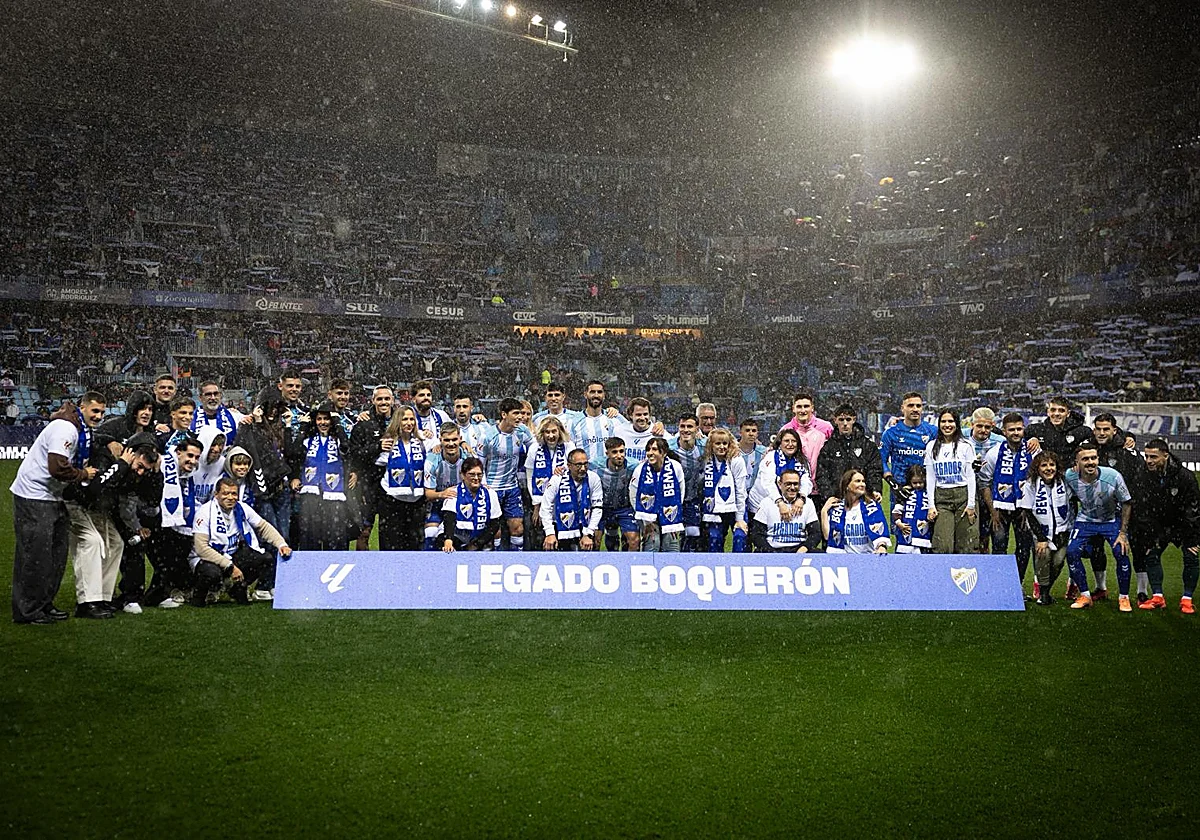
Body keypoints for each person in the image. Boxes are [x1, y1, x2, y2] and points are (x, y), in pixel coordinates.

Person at [10, 395, 104, 624]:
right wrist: (83, 475)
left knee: (55, 555)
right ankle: (27, 611)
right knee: (35, 555)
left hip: (52, 496)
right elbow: (57, 467)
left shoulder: (79, 428)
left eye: (102, 412)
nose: (98, 416)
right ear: (82, 407)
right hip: (34, 496)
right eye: (94, 410)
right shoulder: (65, 428)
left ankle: (44, 603)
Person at [64, 439, 160, 618]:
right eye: (139, 465)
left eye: (145, 470)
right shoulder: (107, 458)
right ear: (132, 455)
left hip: (98, 509)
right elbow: (95, 488)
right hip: (76, 503)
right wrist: (121, 464)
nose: (140, 472)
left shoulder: (135, 473)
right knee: (92, 543)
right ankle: (86, 603)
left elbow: (152, 499)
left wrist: (156, 473)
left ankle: (103, 598)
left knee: (116, 543)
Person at [191, 477, 291, 606]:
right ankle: (201, 594)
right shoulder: (204, 512)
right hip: (207, 559)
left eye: (234, 493)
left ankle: (237, 588)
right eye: (226, 493)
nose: (230, 497)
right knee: (211, 573)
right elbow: (201, 549)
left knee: (265, 559)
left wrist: (281, 544)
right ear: (216, 495)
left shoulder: (241, 508)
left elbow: (263, 527)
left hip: (232, 554)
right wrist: (230, 566)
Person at [234, 386, 294, 599]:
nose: (274, 411)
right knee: (271, 536)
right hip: (263, 490)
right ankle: (264, 585)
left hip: (282, 489)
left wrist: (287, 427)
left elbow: (291, 453)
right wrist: (258, 423)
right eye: (271, 406)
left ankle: (276, 582)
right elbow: (251, 450)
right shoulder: (250, 426)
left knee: (283, 537)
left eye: (278, 406)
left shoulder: (282, 426)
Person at [1063, 443, 1133, 611]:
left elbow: (1127, 503)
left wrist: (1123, 533)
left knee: (1120, 551)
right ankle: (1085, 595)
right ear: (1076, 462)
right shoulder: (1070, 476)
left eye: (1093, 458)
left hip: (1110, 520)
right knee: (1071, 551)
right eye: (1085, 459)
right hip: (1085, 520)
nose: (1090, 462)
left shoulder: (1113, 476)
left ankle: (1124, 597)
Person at [1135, 439, 1200, 613]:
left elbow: (1193, 508)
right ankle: (1157, 597)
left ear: (1166, 455)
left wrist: (1192, 538)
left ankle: (1187, 599)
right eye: (1147, 456)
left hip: (1182, 524)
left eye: (1153, 457)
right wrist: (1150, 534)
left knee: (1191, 557)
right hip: (1159, 524)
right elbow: (1143, 506)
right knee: (1151, 554)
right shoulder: (1143, 474)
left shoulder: (1185, 476)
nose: (1149, 460)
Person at [1091, 413, 1147, 600]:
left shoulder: (1126, 450)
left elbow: (1139, 478)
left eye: (1106, 429)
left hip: (1127, 509)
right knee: (1097, 549)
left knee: (1134, 548)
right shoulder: (1091, 448)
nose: (1101, 432)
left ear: (1115, 430)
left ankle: (1141, 592)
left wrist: (1132, 504)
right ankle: (1101, 588)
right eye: (1098, 429)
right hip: (1099, 511)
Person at [145, 437, 204, 610]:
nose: (193, 461)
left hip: (173, 522)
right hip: (153, 520)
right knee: (163, 560)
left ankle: (156, 594)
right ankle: (144, 595)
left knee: (169, 561)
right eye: (190, 455)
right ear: (178, 452)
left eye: (196, 457)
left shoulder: (188, 474)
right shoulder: (164, 463)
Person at [979, 412, 1033, 594]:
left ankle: (1017, 586)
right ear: (1004, 431)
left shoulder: (1033, 452)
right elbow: (984, 482)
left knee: (1024, 549)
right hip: (1000, 510)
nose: (1016, 433)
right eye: (1011, 430)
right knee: (999, 547)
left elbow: (1039, 481)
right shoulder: (994, 453)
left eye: (1019, 429)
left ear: (1023, 429)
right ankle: (999, 586)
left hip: (1024, 510)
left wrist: (1029, 508)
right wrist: (993, 511)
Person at [290, 403, 350, 551]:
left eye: (326, 419)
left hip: (334, 492)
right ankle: (310, 569)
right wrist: (295, 477)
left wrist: (338, 424)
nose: (323, 422)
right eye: (319, 419)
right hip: (311, 492)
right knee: (310, 534)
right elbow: (294, 454)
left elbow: (346, 448)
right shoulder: (308, 440)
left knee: (335, 536)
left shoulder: (338, 440)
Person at [477, 398, 534, 551]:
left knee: (518, 528)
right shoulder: (488, 436)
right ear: (504, 414)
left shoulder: (521, 431)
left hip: (512, 488)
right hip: (492, 488)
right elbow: (478, 464)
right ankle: (493, 559)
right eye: (515, 413)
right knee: (494, 531)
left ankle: (517, 559)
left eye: (521, 414)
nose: (520, 417)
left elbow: (535, 448)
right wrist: (484, 486)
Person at [1018, 451, 1073, 606]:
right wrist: (1041, 538)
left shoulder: (1064, 481)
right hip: (1041, 533)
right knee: (1044, 556)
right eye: (1044, 465)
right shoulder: (1031, 484)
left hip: (1062, 531)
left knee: (1058, 562)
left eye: (1052, 465)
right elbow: (1028, 511)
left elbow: (1072, 501)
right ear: (1037, 468)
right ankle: (1043, 593)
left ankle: (1046, 590)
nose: (1048, 468)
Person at [925, 408, 979, 553]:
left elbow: (971, 475)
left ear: (957, 424)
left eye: (951, 421)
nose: (947, 425)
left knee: (966, 545)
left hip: (963, 495)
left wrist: (971, 504)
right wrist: (931, 505)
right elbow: (930, 477)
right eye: (943, 421)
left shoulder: (966, 446)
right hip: (942, 498)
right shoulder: (931, 446)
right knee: (943, 545)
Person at [348, 385, 395, 551]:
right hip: (369, 481)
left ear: (392, 400)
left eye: (387, 398)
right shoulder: (363, 424)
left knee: (389, 529)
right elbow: (354, 453)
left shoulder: (400, 421)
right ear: (373, 400)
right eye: (379, 398)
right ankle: (361, 566)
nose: (383, 402)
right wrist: (377, 446)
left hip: (394, 481)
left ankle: (386, 565)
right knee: (365, 529)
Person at [376, 405, 427, 551]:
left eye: (412, 419)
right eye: (405, 419)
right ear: (398, 421)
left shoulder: (422, 442)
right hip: (392, 503)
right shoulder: (388, 442)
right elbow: (376, 462)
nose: (409, 423)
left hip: (415, 502)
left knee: (413, 546)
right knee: (391, 545)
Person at [816, 403, 883, 506]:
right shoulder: (828, 447)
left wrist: (875, 490)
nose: (845, 423)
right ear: (835, 420)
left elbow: (875, 470)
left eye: (848, 419)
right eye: (841, 420)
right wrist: (829, 496)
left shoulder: (867, 445)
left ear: (854, 420)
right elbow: (822, 474)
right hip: (837, 501)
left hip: (863, 499)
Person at [630, 437, 686, 552]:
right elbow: (633, 495)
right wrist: (646, 521)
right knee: (652, 542)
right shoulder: (640, 470)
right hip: (648, 516)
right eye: (648, 449)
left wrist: (674, 516)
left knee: (671, 543)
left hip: (670, 513)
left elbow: (681, 492)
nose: (650, 453)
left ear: (664, 452)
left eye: (654, 449)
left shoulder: (676, 467)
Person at [540, 448, 603, 551]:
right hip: (560, 525)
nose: (583, 468)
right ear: (569, 466)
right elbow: (546, 507)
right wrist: (549, 533)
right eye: (578, 465)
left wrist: (589, 533)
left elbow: (597, 508)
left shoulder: (593, 478)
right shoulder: (557, 479)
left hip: (584, 523)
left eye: (585, 464)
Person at [748, 428, 813, 522]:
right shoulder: (771, 457)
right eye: (786, 441)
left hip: (786, 503)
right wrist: (780, 503)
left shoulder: (802, 460)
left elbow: (806, 482)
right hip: (760, 503)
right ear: (780, 443)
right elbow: (768, 483)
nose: (790, 444)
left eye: (793, 441)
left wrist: (801, 499)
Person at [749, 468, 821, 553]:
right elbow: (756, 534)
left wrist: (804, 548)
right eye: (788, 484)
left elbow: (815, 534)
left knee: (820, 555)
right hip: (773, 549)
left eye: (796, 484)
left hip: (798, 549)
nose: (792, 487)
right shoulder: (767, 502)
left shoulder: (808, 503)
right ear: (780, 484)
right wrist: (770, 552)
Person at [701, 428, 749, 552]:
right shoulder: (706, 461)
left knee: (740, 536)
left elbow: (740, 491)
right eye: (718, 443)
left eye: (725, 443)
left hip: (736, 507)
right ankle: (717, 567)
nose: (722, 447)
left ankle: (739, 566)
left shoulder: (736, 460)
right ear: (711, 445)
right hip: (714, 509)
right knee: (714, 538)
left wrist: (739, 519)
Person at [439, 457, 502, 552]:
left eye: (479, 475)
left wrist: (477, 544)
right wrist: (448, 540)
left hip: (479, 538)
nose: (476, 478)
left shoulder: (491, 494)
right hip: (456, 536)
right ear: (463, 475)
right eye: (472, 474)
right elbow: (449, 518)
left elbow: (494, 524)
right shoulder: (454, 492)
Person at [822, 470, 890, 554]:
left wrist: (881, 547)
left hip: (867, 559)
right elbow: (828, 536)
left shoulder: (872, 507)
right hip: (845, 560)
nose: (862, 484)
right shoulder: (838, 509)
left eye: (863, 481)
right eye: (858, 481)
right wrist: (824, 511)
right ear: (847, 485)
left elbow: (880, 531)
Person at [423, 423, 467, 550]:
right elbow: (429, 493)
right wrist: (442, 494)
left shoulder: (469, 458)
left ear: (460, 438)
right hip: (438, 503)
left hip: (463, 504)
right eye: (446, 440)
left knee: (464, 533)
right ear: (440, 439)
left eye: (454, 439)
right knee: (430, 532)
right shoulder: (432, 461)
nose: (451, 443)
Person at [879, 392, 937, 489]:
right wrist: (891, 482)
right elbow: (881, 460)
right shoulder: (890, 433)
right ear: (902, 408)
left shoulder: (933, 431)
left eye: (918, 406)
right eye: (910, 406)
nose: (915, 409)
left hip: (926, 490)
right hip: (900, 490)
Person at [969, 407, 1007, 552]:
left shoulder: (1000, 442)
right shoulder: (962, 438)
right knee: (974, 536)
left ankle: (991, 564)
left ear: (993, 426)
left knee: (993, 534)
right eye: (979, 426)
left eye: (987, 427)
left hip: (991, 492)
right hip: (969, 492)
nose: (983, 430)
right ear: (972, 424)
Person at [594, 436, 640, 552]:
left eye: (621, 451)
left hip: (624, 508)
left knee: (634, 541)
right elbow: (576, 465)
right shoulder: (595, 465)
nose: (619, 455)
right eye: (614, 452)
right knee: (595, 540)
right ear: (607, 453)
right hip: (602, 508)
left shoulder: (634, 465)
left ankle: (630, 567)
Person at [669, 413, 706, 551]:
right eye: (682, 426)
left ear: (697, 429)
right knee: (670, 535)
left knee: (693, 533)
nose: (685, 430)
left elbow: (727, 444)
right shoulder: (669, 448)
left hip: (693, 498)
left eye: (689, 426)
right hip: (672, 499)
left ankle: (687, 560)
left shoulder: (705, 446)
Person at [779, 390, 833, 480]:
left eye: (806, 406)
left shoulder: (826, 427)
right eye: (799, 407)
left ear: (812, 408)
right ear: (793, 409)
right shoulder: (785, 430)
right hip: (796, 486)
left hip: (822, 484)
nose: (803, 410)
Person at [1024, 396, 1093, 463]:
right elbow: (1017, 442)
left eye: (1061, 410)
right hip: (1046, 471)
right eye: (1053, 410)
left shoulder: (1082, 431)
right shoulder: (1034, 430)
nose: (1056, 414)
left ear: (1068, 413)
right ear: (1048, 412)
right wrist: (1030, 438)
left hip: (1071, 472)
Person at [571, 380, 624, 464]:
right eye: (592, 392)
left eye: (599, 392)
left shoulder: (614, 417)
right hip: (586, 473)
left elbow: (631, 433)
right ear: (585, 394)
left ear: (604, 395)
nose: (596, 395)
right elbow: (569, 449)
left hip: (611, 473)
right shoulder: (574, 422)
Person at [190, 380, 246, 446]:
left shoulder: (234, 416)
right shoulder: (190, 419)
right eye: (208, 394)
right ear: (200, 398)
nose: (213, 398)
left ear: (220, 396)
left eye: (216, 394)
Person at [892, 464, 932, 554]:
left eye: (920, 482)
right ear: (909, 481)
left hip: (923, 537)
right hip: (905, 536)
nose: (918, 485)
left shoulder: (928, 493)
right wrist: (899, 523)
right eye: (915, 483)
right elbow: (897, 510)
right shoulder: (905, 493)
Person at [615, 397, 659, 466]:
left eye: (645, 414)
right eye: (638, 415)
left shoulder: (658, 433)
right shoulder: (619, 431)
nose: (642, 418)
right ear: (630, 415)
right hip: (625, 475)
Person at [191, 425, 227, 506]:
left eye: (220, 445)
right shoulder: (191, 460)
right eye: (213, 444)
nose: (216, 449)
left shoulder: (222, 463)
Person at [735, 418, 767, 502]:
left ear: (757, 434)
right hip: (736, 495)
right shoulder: (732, 450)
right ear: (740, 432)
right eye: (747, 430)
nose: (751, 434)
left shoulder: (763, 452)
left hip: (755, 495)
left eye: (754, 431)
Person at [278, 372, 308, 438]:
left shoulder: (306, 410)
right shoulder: (273, 410)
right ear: (280, 386)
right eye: (290, 386)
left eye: (297, 386)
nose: (294, 389)